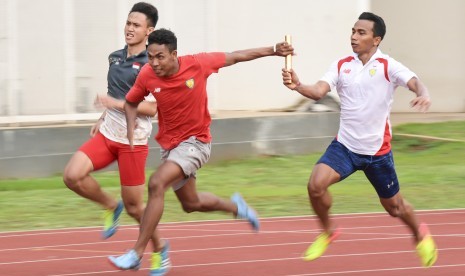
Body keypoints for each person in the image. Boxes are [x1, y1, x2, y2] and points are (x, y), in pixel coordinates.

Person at [108, 28, 294, 275]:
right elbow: (131, 102)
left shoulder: (198, 63)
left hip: (196, 143)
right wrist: (130, 132)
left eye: (160, 57)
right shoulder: (147, 74)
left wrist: (272, 50)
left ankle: (138, 253)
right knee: (191, 203)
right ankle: (236, 207)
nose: (154, 63)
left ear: (174, 54)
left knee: (156, 184)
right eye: (150, 57)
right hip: (171, 147)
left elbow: (236, 56)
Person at [281, 12, 437, 267]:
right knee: (315, 186)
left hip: (377, 153)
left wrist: (425, 93)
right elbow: (319, 91)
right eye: (353, 31)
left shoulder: (388, 65)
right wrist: (298, 85)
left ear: (376, 40)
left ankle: (420, 233)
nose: (354, 36)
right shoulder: (342, 64)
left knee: (395, 208)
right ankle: (329, 230)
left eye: (361, 32)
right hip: (345, 147)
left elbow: (415, 82)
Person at [62, 2, 170, 274]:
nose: (130, 29)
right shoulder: (115, 57)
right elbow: (116, 91)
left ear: (149, 30)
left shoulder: (153, 64)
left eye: (137, 25)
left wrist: (114, 103)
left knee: (136, 208)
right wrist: (102, 117)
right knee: (72, 176)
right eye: (128, 23)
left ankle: (159, 248)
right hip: (108, 134)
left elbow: (154, 109)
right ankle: (111, 205)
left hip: (133, 142)